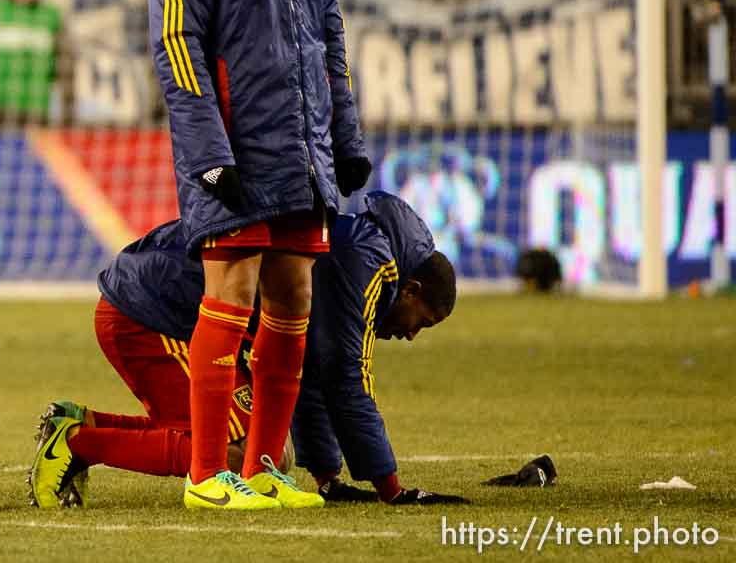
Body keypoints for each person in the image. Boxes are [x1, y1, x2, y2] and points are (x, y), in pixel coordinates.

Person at [136, 0, 370, 511]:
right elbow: (177, 37)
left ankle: (267, 466)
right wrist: (209, 150)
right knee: (228, 292)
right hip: (233, 150)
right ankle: (208, 475)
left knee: (293, 295)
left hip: (299, 152)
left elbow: (330, 41)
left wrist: (346, 136)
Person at [28, 194, 461, 508]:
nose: (411, 336)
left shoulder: (357, 247)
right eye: (422, 321)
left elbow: (310, 369)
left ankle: (82, 422)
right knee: (232, 456)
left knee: (271, 456)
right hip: (151, 317)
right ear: (411, 290)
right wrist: (392, 490)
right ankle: (78, 442)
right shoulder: (370, 263)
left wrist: (328, 478)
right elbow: (345, 376)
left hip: (158, 306)